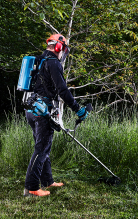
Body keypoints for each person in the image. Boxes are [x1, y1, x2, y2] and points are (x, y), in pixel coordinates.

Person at [23, 34, 88, 197]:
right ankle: (31, 188)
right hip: (42, 111)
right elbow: (63, 90)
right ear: (59, 47)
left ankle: (47, 181)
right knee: (41, 148)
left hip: (31, 109)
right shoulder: (53, 63)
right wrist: (77, 109)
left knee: (44, 146)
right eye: (64, 49)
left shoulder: (38, 60)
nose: (63, 53)